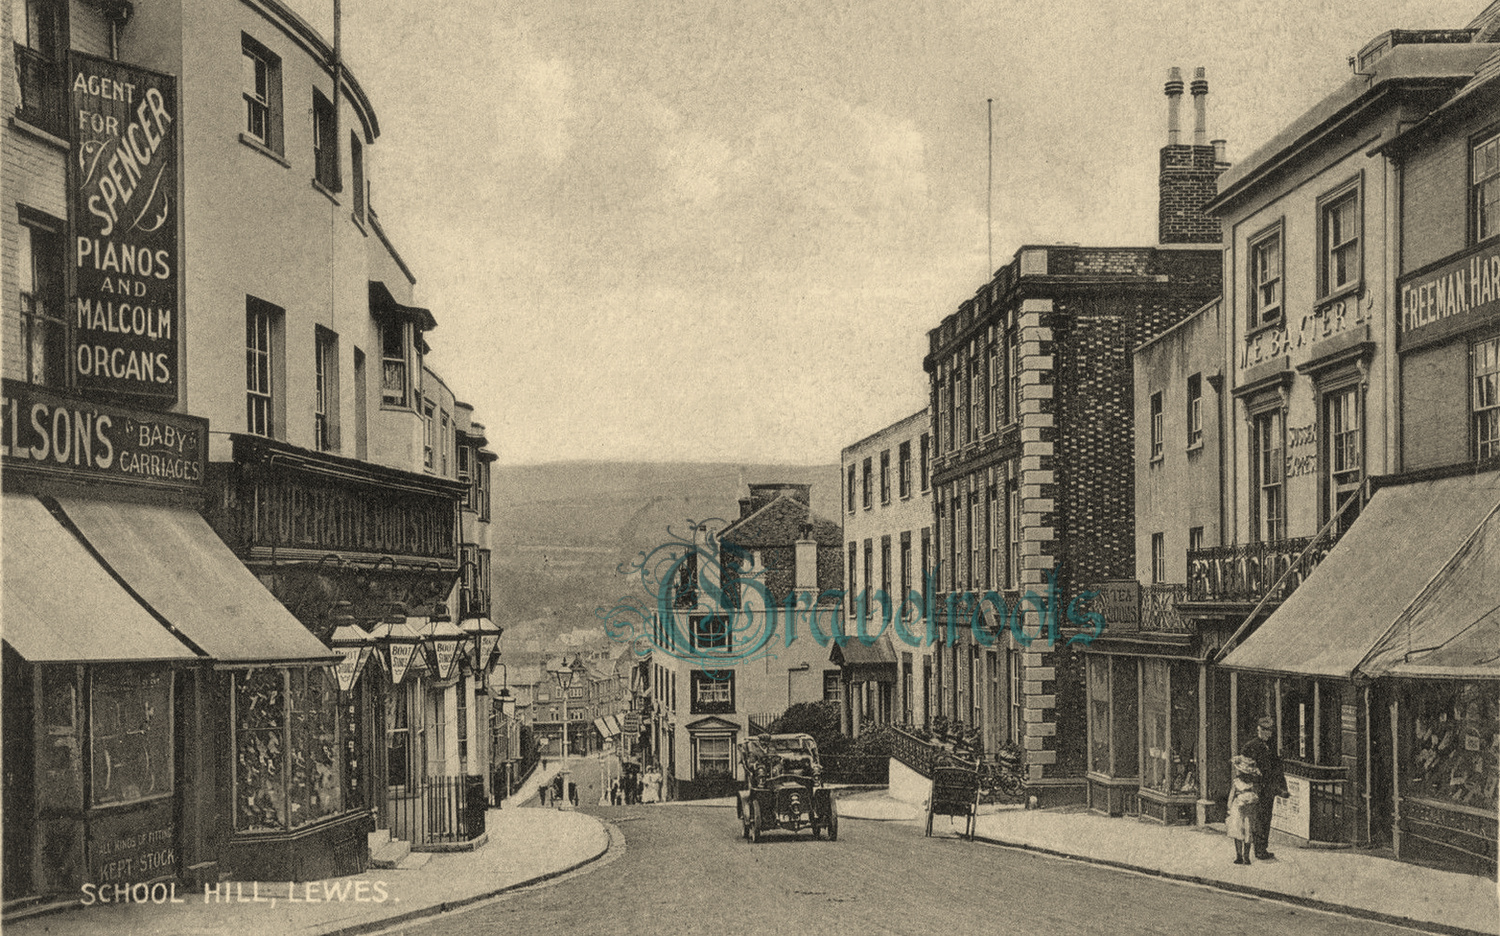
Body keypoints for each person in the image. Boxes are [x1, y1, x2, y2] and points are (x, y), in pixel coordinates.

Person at [1241, 716, 1289, 859]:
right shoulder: (1250, 746)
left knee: (1266, 818)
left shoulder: (1271, 746)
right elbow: (1243, 768)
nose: (1268, 734)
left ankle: (1263, 848)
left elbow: (1277, 768)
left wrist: (1282, 787)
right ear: (1259, 730)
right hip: (1257, 789)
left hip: (1268, 789)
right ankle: (1258, 850)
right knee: (1258, 820)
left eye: (1270, 731)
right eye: (1265, 731)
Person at [1226, 754, 1260, 865]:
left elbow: (1233, 794)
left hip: (1247, 808)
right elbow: (1232, 795)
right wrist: (1230, 807)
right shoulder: (1240, 782)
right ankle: (1242, 856)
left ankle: (1244, 856)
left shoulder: (1248, 783)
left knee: (1246, 831)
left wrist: (1229, 806)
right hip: (1241, 808)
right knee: (1240, 830)